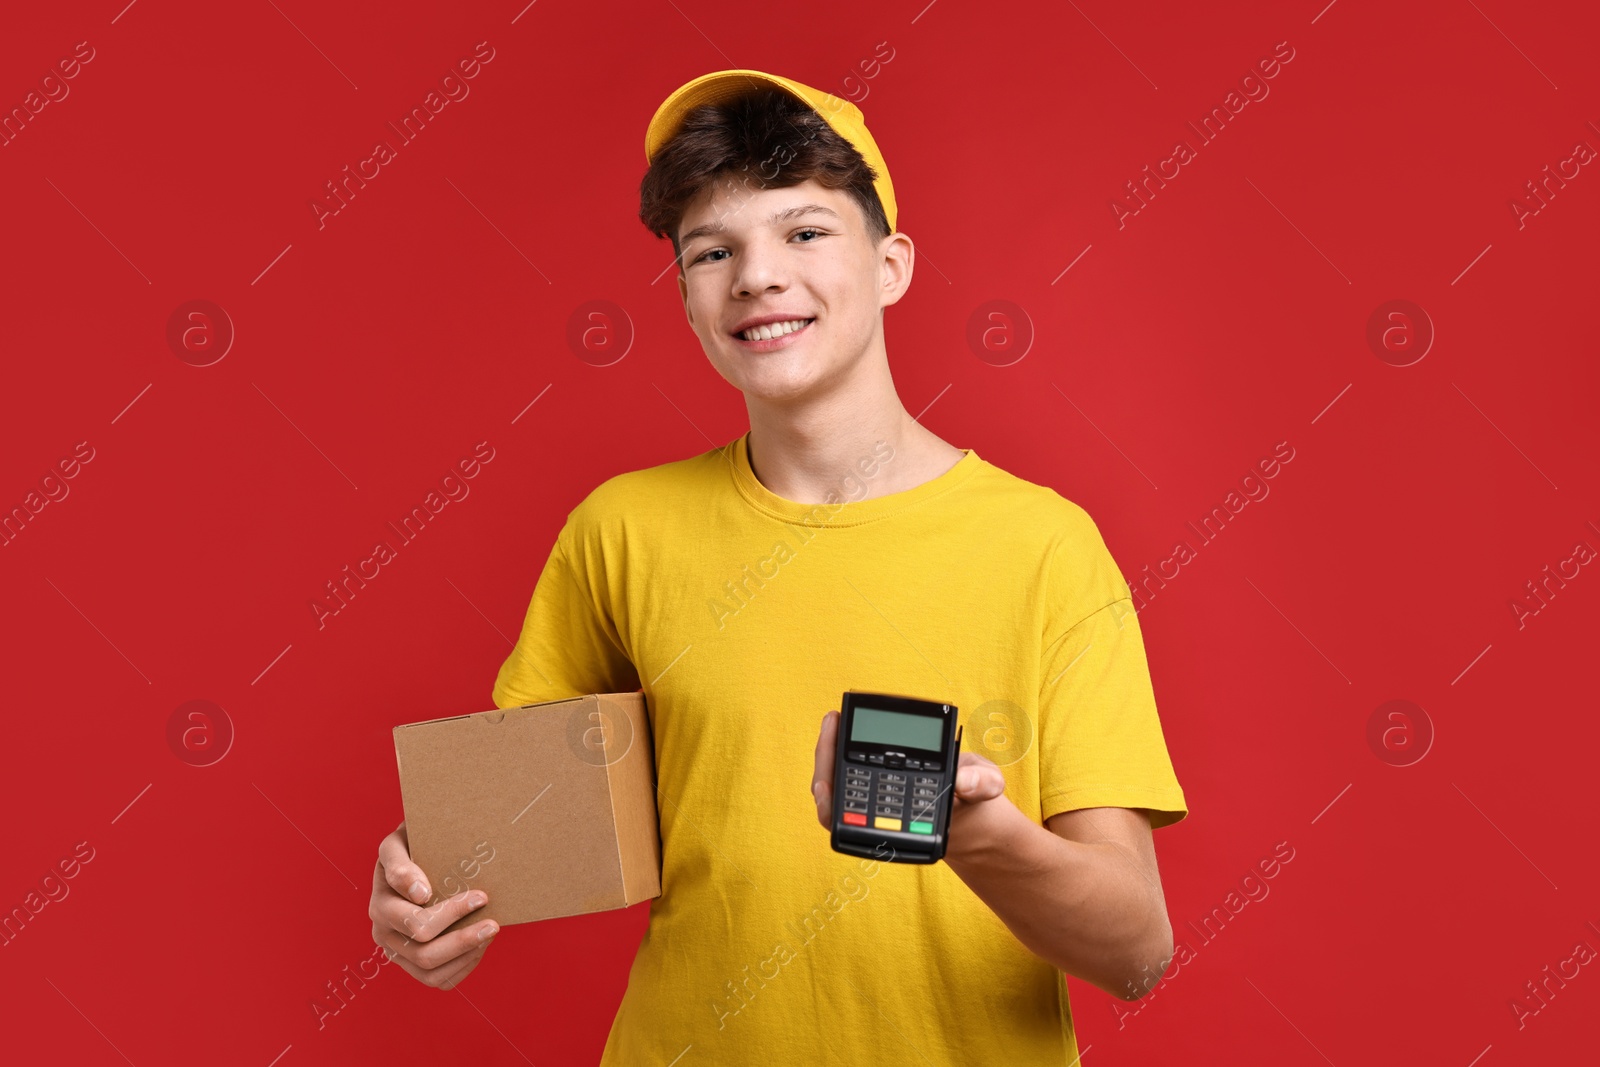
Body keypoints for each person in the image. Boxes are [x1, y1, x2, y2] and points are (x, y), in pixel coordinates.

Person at [370, 69, 1188, 1064]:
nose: (756, 275)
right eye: (712, 251)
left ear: (890, 265)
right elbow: (496, 842)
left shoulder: (1046, 547)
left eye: (803, 232)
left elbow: (1136, 951)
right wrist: (420, 896)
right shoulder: (621, 531)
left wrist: (979, 835)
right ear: (684, 295)